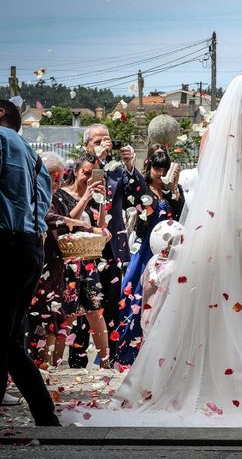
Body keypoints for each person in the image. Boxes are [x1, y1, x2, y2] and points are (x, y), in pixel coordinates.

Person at [63, 65, 242, 427]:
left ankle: (208, 373)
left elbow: (209, 179)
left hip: (216, 221)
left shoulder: (213, 128)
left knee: (214, 293)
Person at [0, 98, 60, 426]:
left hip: (6, 244)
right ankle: (44, 414)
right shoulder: (34, 156)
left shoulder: (1, 139)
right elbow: (42, 208)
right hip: (29, 249)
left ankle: (46, 415)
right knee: (9, 337)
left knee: (6, 340)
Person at [70, 124, 146, 368]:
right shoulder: (81, 170)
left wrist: (131, 166)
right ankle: (77, 360)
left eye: (108, 140)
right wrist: (96, 162)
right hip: (83, 247)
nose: (104, 144)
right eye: (98, 140)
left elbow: (139, 195)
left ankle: (109, 361)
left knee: (112, 306)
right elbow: (79, 195)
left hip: (111, 247)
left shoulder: (116, 173)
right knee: (84, 306)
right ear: (87, 145)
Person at [26, 152, 101, 367]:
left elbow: (69, 219)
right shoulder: (34, 194)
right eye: (52, 176)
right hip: (40, 265)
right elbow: (49, 218)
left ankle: (45, 364)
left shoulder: (55, 197)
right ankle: (37, 364)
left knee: (52, 316)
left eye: (59, 176)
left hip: (56, 264)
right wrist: (78, 223)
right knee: (38, 316)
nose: (57, 181)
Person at [115, 145, 184, 365]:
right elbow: (136, 191)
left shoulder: (173, 190)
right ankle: (129, 351)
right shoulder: (144, 189)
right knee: (136, 295)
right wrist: (130, 165)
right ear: (150, 167)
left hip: (168, 253)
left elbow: (179, 215)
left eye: (164, 168)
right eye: (157, 168)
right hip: (146, 251)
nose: (161, 173)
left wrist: (174, 191)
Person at [56, 154, 112, 368]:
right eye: (85, 173)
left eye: (93, 174)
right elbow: (68, 221)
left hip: (88, 260)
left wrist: (102, 200)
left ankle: (106, 364)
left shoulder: (94, 196)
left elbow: (101, 224)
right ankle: (56, 364)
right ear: (76, 171)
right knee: (68, 313)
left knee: (95, 311)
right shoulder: (62, 194)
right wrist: (85, 198)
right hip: (68, 261)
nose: (89, 178)